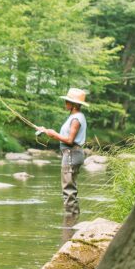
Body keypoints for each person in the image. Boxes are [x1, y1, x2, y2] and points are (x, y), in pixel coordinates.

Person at [35, 88, 88, 226]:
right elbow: (65, 136)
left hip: (71, 154)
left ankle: (71, 224)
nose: (65, 102)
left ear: (73, 104)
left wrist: (53, 134)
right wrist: (46, 131)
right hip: (70, 154)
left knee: (69, 191)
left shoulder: (76, 119)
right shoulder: (73, 116)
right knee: (69, 189)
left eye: (67, 101)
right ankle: (72, 222)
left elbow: (70, 140)